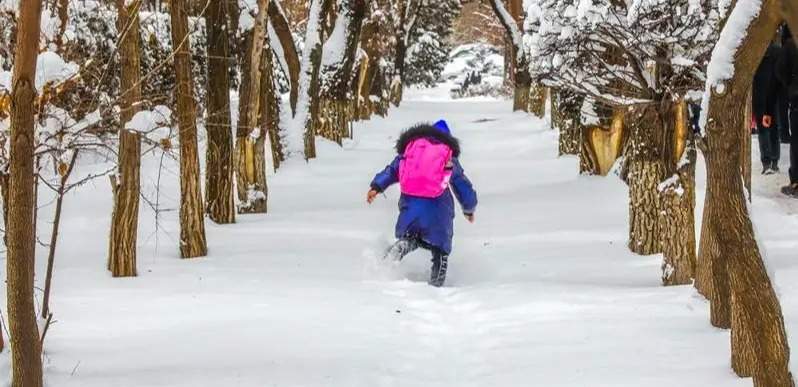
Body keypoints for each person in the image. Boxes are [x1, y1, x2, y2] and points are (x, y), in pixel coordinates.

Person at [367, 120, 478, 287]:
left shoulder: (411, 149)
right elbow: (462, 185)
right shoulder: (448, 156)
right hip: (438, 212)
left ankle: (391, 258)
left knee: (410, 237)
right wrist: (469, 209)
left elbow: (391, 170)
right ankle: (436, 283)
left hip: (410, 206)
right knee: (440, 249)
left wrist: (376, 186)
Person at [753, 39, 782, 174]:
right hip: (774, 94)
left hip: (762, 93)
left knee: (764, 127)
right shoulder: (777, 50)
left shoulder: (756, 51)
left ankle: (767, 161)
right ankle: (773, 160)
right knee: (773, 127)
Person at [777, 26, 798, 197]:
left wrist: (790, 85)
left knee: (797, 142)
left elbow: (780, 71)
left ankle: (797, 182)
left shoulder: (790, 46)